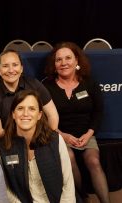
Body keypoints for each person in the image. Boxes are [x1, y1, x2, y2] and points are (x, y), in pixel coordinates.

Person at [43, 41, 110, 203]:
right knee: (69, 158)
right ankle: (82, 199)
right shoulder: (46, 86)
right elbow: (43, 118)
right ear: (54, 64)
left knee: (93, 161)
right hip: (59, 135)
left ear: (77, 61)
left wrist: (89, 134)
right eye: (59, 60)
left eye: (68, 58)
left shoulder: (89, 83)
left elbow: (98, 112)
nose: (63, 63)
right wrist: (63, 135)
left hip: (86, 134)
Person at [0, 89, 75, 203]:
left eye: (32, 109)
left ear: (39, 115)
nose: (25, 114)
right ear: (13, 114)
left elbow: (68, 184)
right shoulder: (1, 146)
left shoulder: (55, 140)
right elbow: (4, 187)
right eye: (20, 108)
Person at [0, 49, 59, 138]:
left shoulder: (35, 84)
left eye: (15, 65)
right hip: (7, 140)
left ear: (21, 68)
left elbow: (52, 115)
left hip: (38, 137)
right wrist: (22, 142)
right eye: (5, 66)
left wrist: (48, 139)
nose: (11, 70)